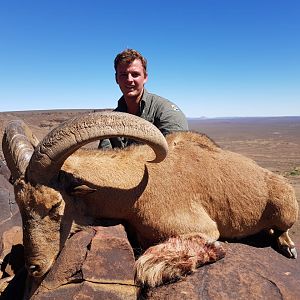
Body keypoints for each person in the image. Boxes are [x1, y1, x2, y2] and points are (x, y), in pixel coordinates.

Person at [99, 49, 188, 149]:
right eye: (123, 75)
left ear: (145, 77)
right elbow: (104, 155)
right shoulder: (112, 120)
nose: (129, 80)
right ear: (116, 79)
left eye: (135, 74)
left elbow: (178, 154)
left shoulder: (166, 112)